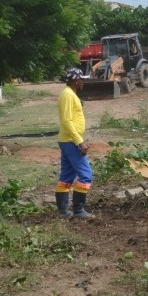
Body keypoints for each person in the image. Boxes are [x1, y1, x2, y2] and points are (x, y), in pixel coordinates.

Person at [56, 68, 94, 219]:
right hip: (71, 141)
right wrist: (80, 142)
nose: (83, 82)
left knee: (66, 176)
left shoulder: (70, 94)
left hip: (67, 140)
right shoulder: (67, 95)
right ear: (75, 80)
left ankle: (64, 211)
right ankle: (78, 210)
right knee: (86, 174)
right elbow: (66, 121)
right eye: (82, 79)